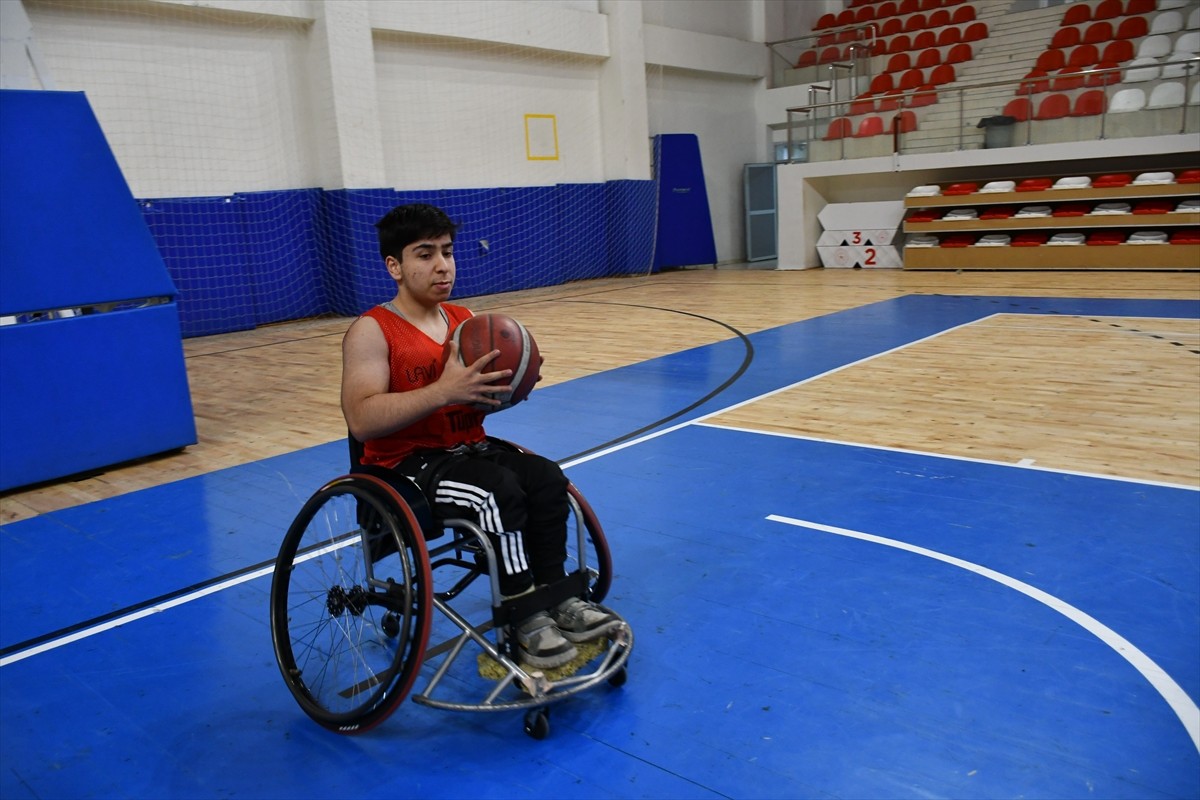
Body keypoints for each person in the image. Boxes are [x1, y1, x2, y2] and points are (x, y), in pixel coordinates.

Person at [340, 202, 619, 669]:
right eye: (424, 254)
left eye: (447, 252)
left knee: (547, 477)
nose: (442, 265)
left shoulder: (465, 320)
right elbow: (362, 420)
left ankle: (557, 597)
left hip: (468, 451)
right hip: (407, 468)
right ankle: (525, 617)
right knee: (498, 494)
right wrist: (443, 389)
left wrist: (509, 388)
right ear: (395, 266)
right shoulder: (372, 331)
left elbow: (471, 400)